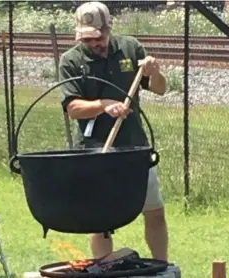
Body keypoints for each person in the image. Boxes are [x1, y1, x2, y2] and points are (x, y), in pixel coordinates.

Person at [58, 1, 169, 261]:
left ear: (109, 27)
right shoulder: (71, 60)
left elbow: (160, 88)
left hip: (135, 147)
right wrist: (103, 106)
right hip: (95, 149)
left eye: (99, 37)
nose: (95, 44)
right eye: (87, 39)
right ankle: (102, 268)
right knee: (100, 219)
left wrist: (155, 72)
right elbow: (72, 108)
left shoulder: (131, 48)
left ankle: (162, 266)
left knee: (154, 211)